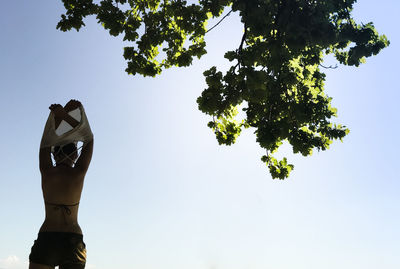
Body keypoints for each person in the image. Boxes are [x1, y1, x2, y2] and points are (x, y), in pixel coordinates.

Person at [29, 100, 94, 269]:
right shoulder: (79, 172)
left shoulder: (46, 170)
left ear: (54, 154)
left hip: (48, 236)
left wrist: (56, 117)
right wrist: (65, 116)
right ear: (75, 155)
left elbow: (46, 141)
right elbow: (89, 139)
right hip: (73, 240)